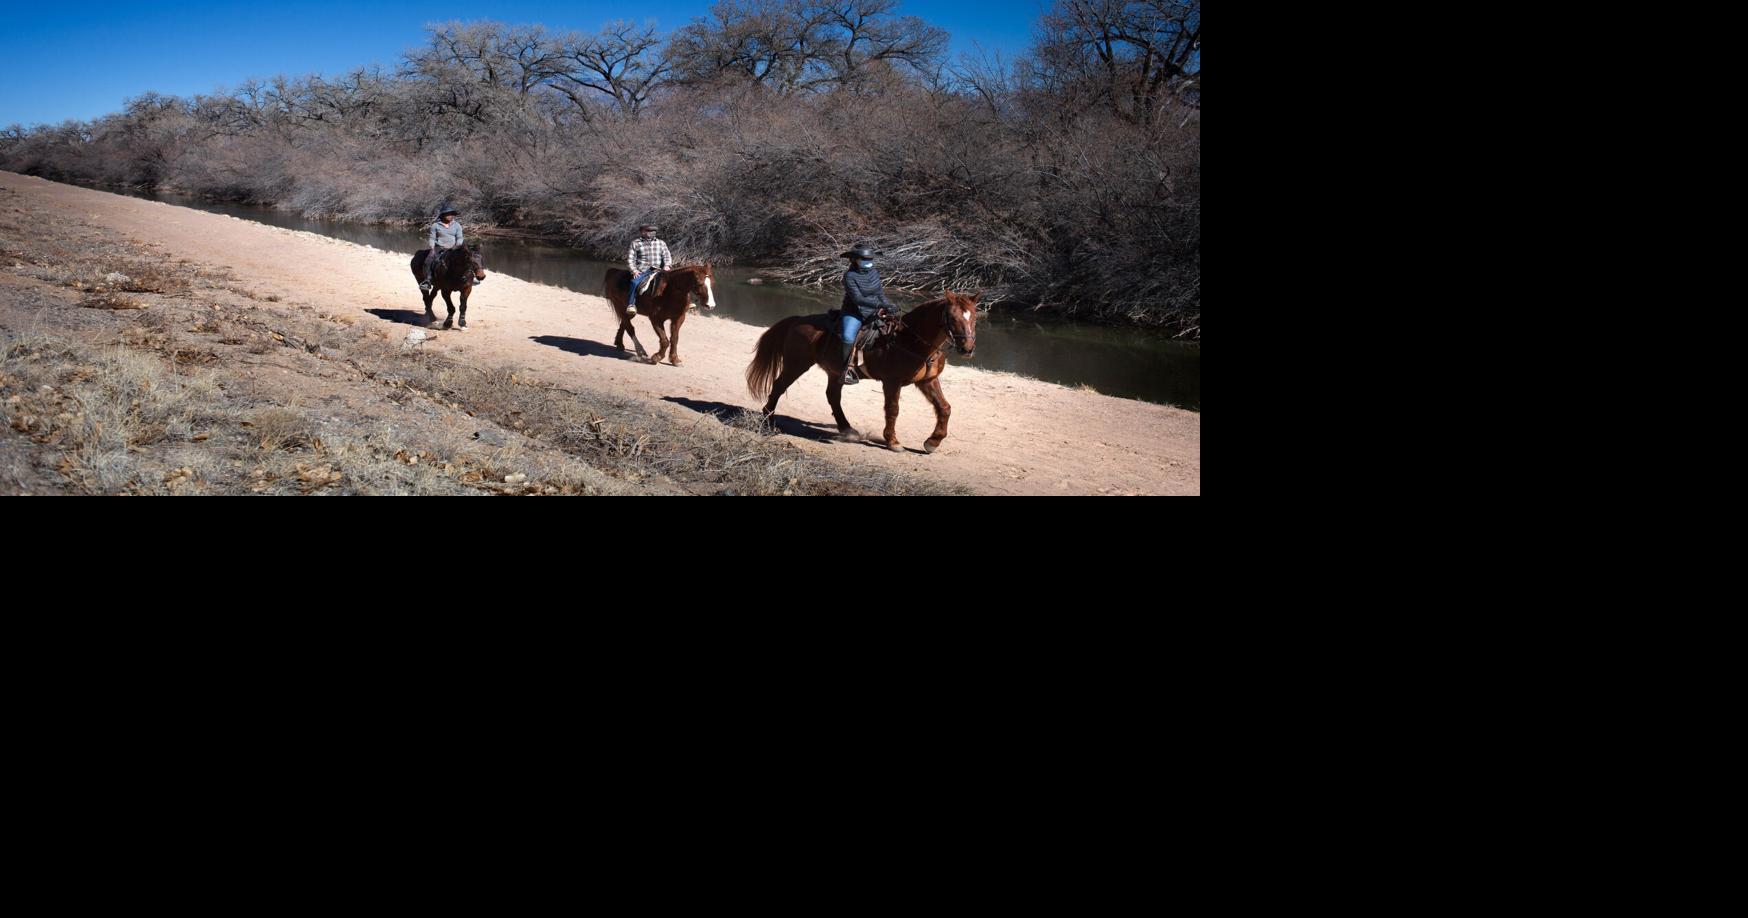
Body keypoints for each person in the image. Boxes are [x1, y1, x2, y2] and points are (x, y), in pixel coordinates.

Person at [838, 245, 898, 385]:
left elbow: (879, 292)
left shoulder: (874, 272)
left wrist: (887, 305)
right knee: (848, 336)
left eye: (870, 259)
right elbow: (858, 299)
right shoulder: (849, 276)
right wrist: (879, 305)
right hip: (854, 313)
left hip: (874, 310)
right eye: (865, 259)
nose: (868, 262)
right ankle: (845, 370)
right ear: (855, 260)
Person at [626, 224, 673, 318]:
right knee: (634, 283)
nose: (652, 233)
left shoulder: (661, 243)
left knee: (676, 280)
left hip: (659, 269)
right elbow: (630, 259)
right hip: (643, 270)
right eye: (649, 231)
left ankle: (685, 302)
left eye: (653, 231)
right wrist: (634, 271)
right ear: (642, 232)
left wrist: (667, 265)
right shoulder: (636, 243)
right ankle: (631, 304)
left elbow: (667, 255)